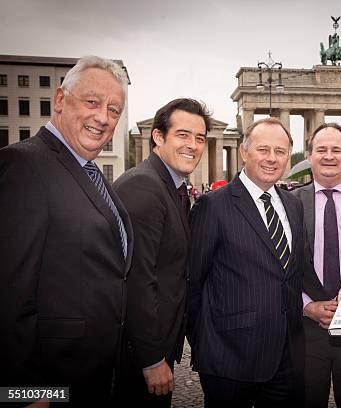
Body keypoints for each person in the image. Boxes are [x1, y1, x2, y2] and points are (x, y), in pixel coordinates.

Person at [0, 56, 132, 404]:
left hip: (95, 372)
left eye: (114, 110)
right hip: (51, 381)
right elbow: (8, 291)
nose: (103, 117)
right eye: (92, 102)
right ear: (60, 100)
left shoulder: (89, 172)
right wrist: (26, 391)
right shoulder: (24, 165)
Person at [187, 117, 305, 407]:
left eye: (280, 151)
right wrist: (207, 345)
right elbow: (192, 282)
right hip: (229, 360)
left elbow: (290, 274)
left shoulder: (293, 204)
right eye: (263, 149)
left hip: (284, 359)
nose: (272, 159)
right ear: (244, 152)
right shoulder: (212, 205)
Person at [113, 98, 210, 406]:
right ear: (158, 137)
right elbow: (136, 281)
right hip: (138, 354)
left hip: (157, 342)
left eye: (199, 138)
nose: (192, 145)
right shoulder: (144, 186)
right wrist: (151, 358)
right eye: (183, 135)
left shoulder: (171, 186)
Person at [292, 123, 341, 408]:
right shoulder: (289, 203)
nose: (329, 156)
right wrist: (306, 306)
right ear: (309, 156)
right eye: (321, 149)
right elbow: (278, 268)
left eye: (336, 150)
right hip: (303, 329)